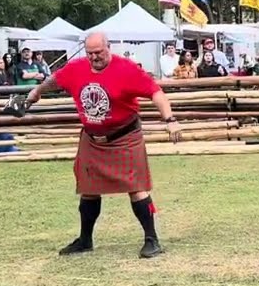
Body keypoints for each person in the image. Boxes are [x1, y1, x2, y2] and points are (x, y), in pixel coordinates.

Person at [25, 32, 180, 259]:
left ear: (109, 47)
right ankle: (85, 239)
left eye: (99, 52)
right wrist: (36, 92)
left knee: (136, 188)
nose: (94, 57)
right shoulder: (76, 68)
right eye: (90, 53)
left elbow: (156, 93)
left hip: (125, 137)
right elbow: (54, 80)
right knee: (88, 189)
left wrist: (170, 120)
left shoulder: (126, 69)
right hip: (92, 138)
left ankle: (151, 239)